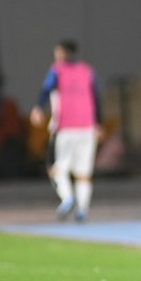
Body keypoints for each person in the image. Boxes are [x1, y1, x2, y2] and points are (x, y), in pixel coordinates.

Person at [29, 40, 102, 223]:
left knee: (57, 168)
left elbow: (46, 90)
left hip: (66, 126)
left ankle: (67, 198)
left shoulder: (57, 70)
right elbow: (97, 98)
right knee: (84, 173)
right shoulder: (87, 71)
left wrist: (38, 108)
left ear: (62, 53)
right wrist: (98, 123)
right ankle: (82, 210)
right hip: (87, 127)